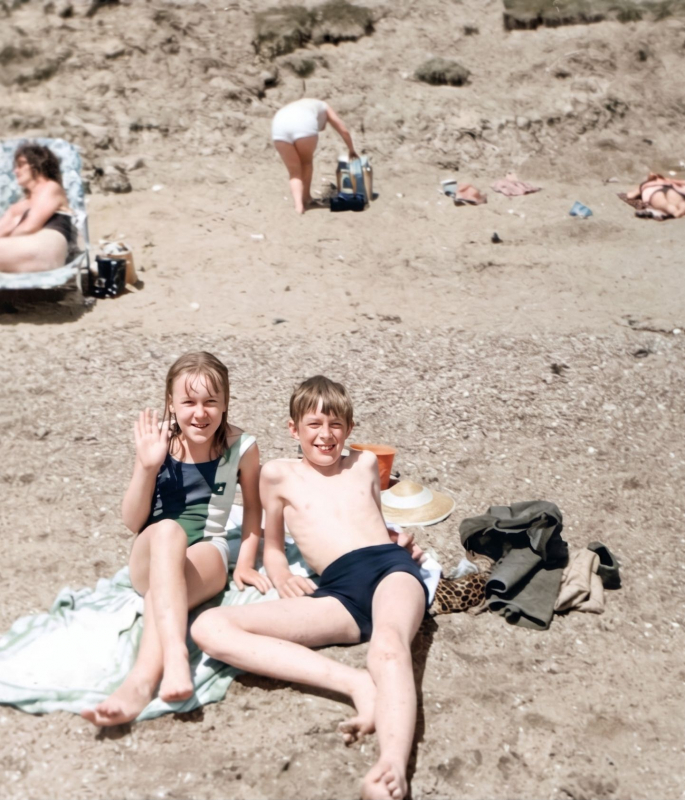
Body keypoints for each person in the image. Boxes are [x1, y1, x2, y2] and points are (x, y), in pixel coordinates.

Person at [192, 375, 429, 800]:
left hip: (388, 569)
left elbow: (376, 521)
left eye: (335, 425)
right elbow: (274, 545)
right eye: (314, 425)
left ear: (349, 429)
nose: (325, 435)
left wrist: (401, 539)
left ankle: (391, 765)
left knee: (390, 646)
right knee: (209, 627)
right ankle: (355, 684)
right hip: (338, 591)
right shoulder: (278, 476)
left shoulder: (365, 465)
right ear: (293, 429)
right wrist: (279, 574)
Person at [82, 352, 270, 727]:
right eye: (188, 402)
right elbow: (132, 521)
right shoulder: (159, 441)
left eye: (210, 402)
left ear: (225, 402)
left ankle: (138, 683)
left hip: (207, 552)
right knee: (168, 530)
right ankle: (176, 658)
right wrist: (148, 466)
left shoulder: (242, 447)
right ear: (171, 403)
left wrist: (245, 561)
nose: (200, 413)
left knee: (162, 591)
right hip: (150, 553)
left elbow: (253, 509)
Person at [0, 142, 78, 273]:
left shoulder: (51, 188)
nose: (16, 171)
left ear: (37, 164)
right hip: (25, 249)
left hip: (45, 249)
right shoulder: (21, 204)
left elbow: (28, 227)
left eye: (21, 164)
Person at [272, 98, 359, 214]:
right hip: (304, 124)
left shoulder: (305, 105)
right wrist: (351, 150)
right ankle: (306, 198)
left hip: (278, 125)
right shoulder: (325, 106)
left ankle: (299, 206)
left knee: (294, 172)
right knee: (306, 162)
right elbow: (343, 130)